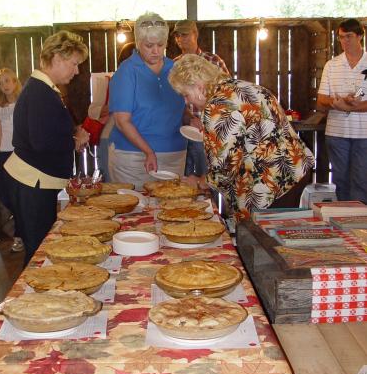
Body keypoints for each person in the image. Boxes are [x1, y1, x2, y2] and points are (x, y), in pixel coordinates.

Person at [168, 54, 315, 222]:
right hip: (295, 170)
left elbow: (224, 169)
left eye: (186, 95)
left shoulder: (217, 106)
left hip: (270, 186)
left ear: (199, 86)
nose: (187, 102)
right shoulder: (244, 87)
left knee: (266, 242)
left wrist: (200, 181)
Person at [4, 30, 89, 266]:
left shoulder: (43, 89)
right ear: (57, 59)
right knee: (37, 253)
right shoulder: (40, 93)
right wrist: (75, 140)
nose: (76, 70)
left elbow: (46, 130)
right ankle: (30, 301)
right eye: (74, 64)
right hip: (33, 184)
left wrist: (72, 132)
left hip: (35, 182)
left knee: (38, 249)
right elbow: (42, 143)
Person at [108, 12, 187, 190]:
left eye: (160, 45)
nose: (156, 51)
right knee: (136, 211)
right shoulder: (127, 71)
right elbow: (122, 121)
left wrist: (191, 120)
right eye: (149, 45)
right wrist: (148, 151)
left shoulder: (174, 69)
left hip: (174, 154)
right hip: (134, 158)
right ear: (138, 43)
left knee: (175, 209)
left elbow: (180, 109)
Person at [316, 18, 367, 204]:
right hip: (337, 132)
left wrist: (351, 107)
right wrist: (337, 102)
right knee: (340, 181)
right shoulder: (332, 65)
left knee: (361, 182)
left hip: (364, 134)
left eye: (349, 36)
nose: (344, 41)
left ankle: (360, 228)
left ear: (360, 36)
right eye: (341, 37)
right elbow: (321, 100)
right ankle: (343, 222)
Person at [173, 19, 230, 179]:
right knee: (184, 179)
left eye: (185, 34)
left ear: (195, 34)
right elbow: (173, 101)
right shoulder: (173, 65)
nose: (181, 38)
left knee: (209, 177)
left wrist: (206, 120)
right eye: (177, 35)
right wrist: (189, 117)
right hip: (181, 131)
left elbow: (225, 96)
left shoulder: (213, 61)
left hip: (207, 131)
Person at [82, 42, 136, 182]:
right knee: (111, 182)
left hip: (137, 138)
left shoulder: (146, 83)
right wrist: (118, 105)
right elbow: (92, 111)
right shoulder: (108, 82)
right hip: (110, 137)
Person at [0, 68, 24, 252]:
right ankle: (20, 232)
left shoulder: (23, 101)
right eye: (1, 83)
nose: (5, 85)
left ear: (15, 81)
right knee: (7, 197)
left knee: (20, 197)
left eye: (8, 81)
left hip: (19, 154)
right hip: (3, 154)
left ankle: (19, 236)